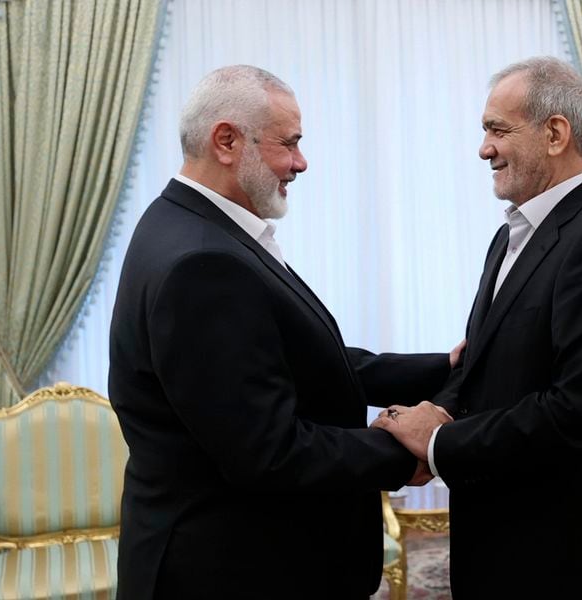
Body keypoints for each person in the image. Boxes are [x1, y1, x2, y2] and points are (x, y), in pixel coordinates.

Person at [109, 65, 455, 599]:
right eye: (289, 144)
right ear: (226, 141)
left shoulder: (186, 223)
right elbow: (267, 450)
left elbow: (295, 361)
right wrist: (407, 451)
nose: (301, 162)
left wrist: (443, 368)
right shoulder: (202, 261)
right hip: (233, 567)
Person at [373, 56, 582, 598]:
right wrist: (437, 413)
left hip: (562, 555)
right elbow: (479, 361)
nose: (484, 148)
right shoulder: (509, 237)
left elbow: (579, 412)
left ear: (555, 134)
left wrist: (438, 443)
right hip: (496, 536)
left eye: (497, 130)